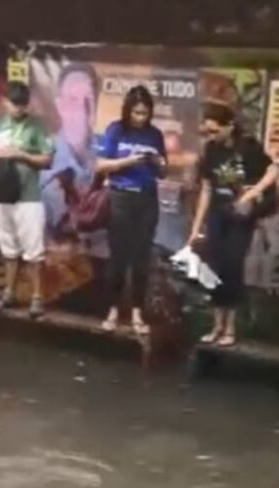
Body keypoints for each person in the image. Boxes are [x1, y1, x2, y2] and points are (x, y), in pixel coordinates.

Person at [189, 102, 279, 347]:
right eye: (207, 132)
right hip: (218, 213)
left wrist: (252, 194)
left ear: (229, 126)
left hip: (241, 215)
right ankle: (216, 324)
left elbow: (273, 171)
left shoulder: (248, 147)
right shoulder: (211, 150)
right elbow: (206, 190)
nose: (211, 136)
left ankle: (230, 326)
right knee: (215, 267)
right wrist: (196, 227)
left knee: (232, 265)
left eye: (215, 130)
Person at [0, 82, 54, 317]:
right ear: (4, 102)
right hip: (1, 195)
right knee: (8, 248)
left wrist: (20, 154)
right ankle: (7, 293)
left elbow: (47, 160)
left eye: (22, 105)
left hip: (28, 197)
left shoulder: (37, 127)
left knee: (33, 251)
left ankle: (37, 298)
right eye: (14, 104)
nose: (18, 109)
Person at [96, 85, 167, 335]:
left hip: (147, 199)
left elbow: (163, 171)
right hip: (121, 197)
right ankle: (113, 309)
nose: (141, 118)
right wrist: (127, 161)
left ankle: (137, 312)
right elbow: (100, 165)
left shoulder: (155, 135)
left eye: (145, 113)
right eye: (137, 113)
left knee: (141, 258)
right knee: (118, 257)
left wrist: (157, 162)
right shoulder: (116, 130)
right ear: (128, 110)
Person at [42, 63, 100, 242]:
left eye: (89, 99)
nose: (83, 110)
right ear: (60, 106)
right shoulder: (42, 161)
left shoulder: (111, 151)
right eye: (73, 100)